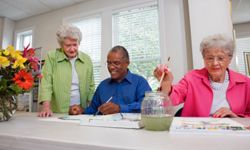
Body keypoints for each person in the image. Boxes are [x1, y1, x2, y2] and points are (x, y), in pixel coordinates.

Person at [154, 34, 250, 118]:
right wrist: (166, 84)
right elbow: (171, 101)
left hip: (231, 134)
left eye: (220, 58)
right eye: (210, 58)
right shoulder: (191, 78)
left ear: (229, 59)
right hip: (197, 134)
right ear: (204, 58)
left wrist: (236, 116)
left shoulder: (245, 83)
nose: (215, 63)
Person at [38, 24, 95, 117]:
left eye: (75, 45)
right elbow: (46, 83)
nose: (72, 49)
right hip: (58, 111)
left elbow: (91, 86)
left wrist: (92, 108)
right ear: (61, 45)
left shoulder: (87, 59)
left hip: (81, 110)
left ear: (79, 43)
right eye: (68, 45)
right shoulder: (52, 57)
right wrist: (46, 107)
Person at [84, 46, 152, 115]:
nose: (111, 67)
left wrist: (119, 108)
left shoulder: (140, 82)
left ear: (127, 63)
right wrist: (81, 110)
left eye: (116, 63)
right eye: (109, 63)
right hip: (106, 125)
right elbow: (93, 110)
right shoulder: (102, 86)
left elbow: (148, 106)